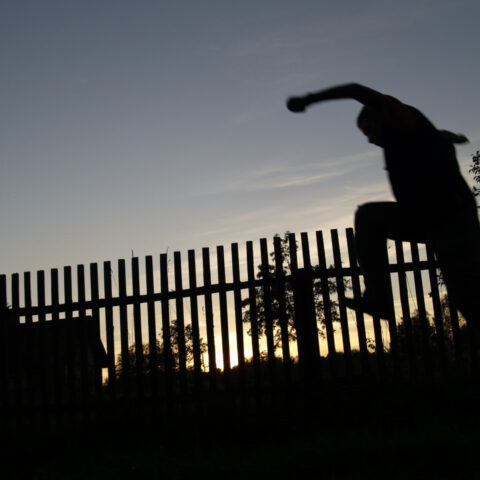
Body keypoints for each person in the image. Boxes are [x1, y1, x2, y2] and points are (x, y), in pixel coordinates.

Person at [286, 83, 480, 328]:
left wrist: (309, 98)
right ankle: (378, 298)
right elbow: (435, 137)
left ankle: (378, 298)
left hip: (453, 219)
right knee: (369, 218)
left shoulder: (400, 118)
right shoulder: (408, 138)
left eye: (368, 129)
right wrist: (449, 137)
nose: (369, 139)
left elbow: (355, 90)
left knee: (469, 294)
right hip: (426, 220)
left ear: (381, 115)